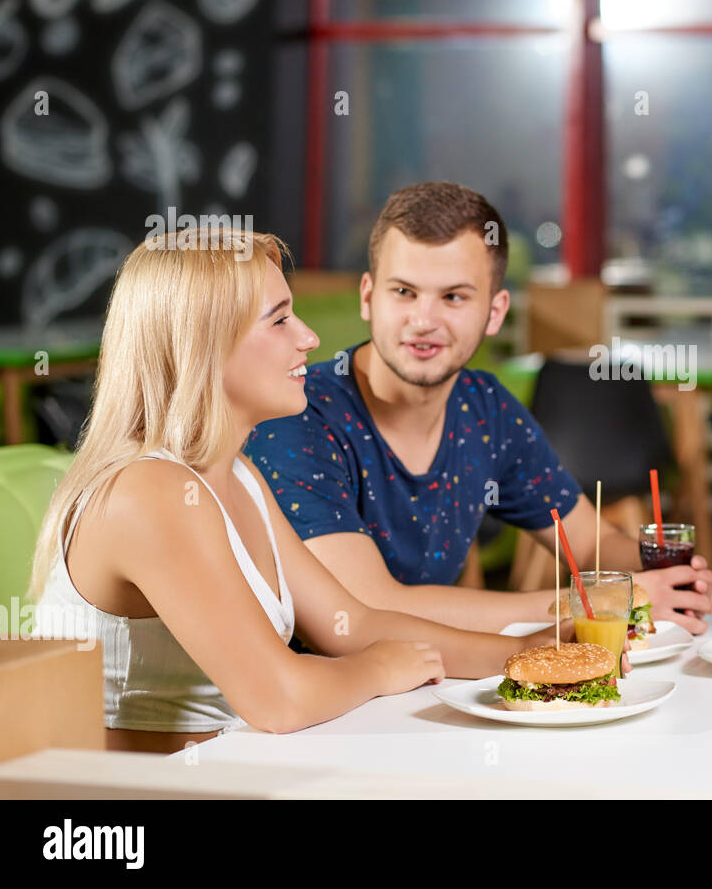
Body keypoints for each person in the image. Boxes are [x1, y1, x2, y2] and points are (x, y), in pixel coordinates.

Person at [29, 229, 571, 754]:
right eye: (280, 319)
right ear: (206, 344)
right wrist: (381, 668)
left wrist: (524, 651)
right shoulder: (150, 490)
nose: (309, 338)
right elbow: (280, 700)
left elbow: (352, 623)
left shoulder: (240, 477)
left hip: (228, 771)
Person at [243, 182, 712, 636]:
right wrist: (599, 602)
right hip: (310, 704)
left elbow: (589, 542)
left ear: (495, 312)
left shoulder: (485, 408)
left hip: (423, 684)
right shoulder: (298, 413)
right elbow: (368, 605)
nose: (423, 321)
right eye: (404, 292)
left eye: (453, 297)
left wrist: (663, 572)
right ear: (369, 297)